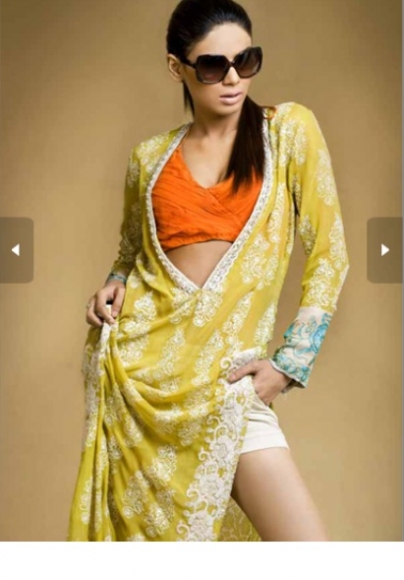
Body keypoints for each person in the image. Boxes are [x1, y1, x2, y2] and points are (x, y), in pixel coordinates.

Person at [67, 0, 349, 541]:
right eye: (214, 66)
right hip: (142, 386)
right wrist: (114, 284)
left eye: (246, 61)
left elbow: (329, 253)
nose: (234, 79)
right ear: (178, 68)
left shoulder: (287, 132)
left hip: (227, 385)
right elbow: (131, 255)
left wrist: (291, 362)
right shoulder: (149, 159)